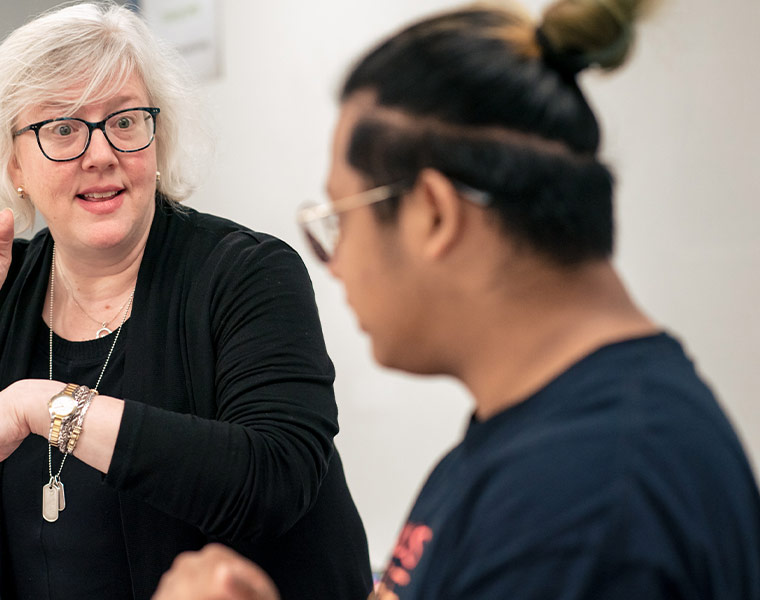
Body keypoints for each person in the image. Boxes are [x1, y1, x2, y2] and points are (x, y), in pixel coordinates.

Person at [154, 1, 760, 599]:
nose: (334, 263)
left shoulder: (583, 502)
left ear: (434, 215)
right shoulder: (538, 438)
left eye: (341, 219)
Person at [0, 3, 372, 598]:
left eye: (124, 121)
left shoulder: (246, 272)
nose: (99, 153)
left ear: (157, 136)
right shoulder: (0, 290)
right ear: (15, 163)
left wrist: (42, 408)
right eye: (62, 129)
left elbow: (274, 481)